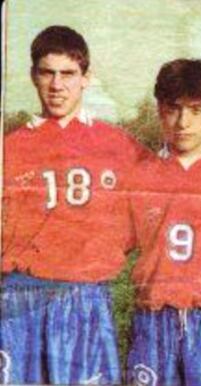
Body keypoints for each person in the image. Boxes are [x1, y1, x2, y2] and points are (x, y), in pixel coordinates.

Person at [1, 25, 149, 384]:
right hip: (21, 297)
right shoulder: (10, 146)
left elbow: (171, 181)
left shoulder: (118, 145)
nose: (57, 85)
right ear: (33, 76)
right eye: (47, 73)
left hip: (84, 298)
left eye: (68, 73)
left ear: (86, 78)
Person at [123, 58, 201, 386]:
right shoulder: (139, 175)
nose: (183, 121)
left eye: (196, 110)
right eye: (173, 108)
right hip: (154, 323)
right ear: (159, 109)